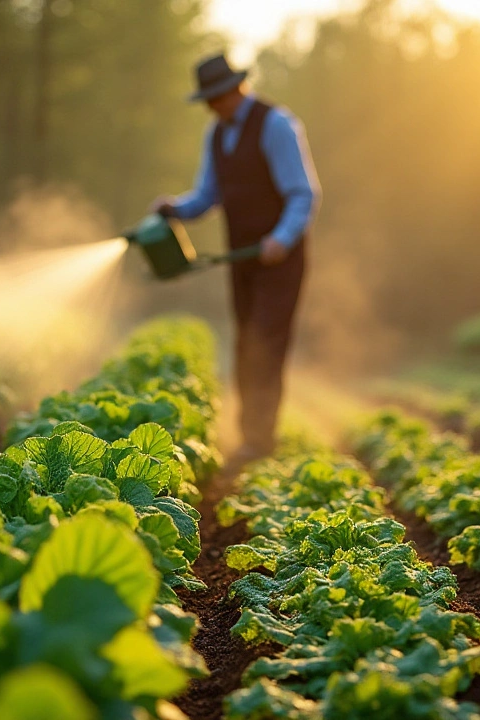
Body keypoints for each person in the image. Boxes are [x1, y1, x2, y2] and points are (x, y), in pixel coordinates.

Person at [152, 53, 321, 465]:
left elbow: (303, 193)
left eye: (217, 98)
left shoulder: (276, 125)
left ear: (235, 90)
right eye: (208, 101)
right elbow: (208, 195)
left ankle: (259, 440)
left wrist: (280, 239)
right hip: (242, 259)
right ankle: (251, 435)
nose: (214, 107)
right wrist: (176, 208)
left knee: (265, 342)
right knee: (246, 341)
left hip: (279, 260)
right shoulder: (217, 134)